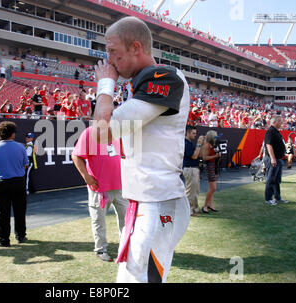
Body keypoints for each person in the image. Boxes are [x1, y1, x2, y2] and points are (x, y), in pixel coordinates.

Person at [92, 16, 190, 283]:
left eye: (113, 51)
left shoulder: (165, 77)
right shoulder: (141, 83)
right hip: (144, 199)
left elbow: (102, 131)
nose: (109, 59)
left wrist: (105, 85)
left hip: (158, 200)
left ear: (136, 47)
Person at [72, 126, 128, 262]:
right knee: (98, 220)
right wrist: (86, 176)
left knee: (126, 220)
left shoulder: (117, 132)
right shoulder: (90, 133)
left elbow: (123, 154)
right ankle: (101, 249)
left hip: (120, 186)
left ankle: (126, 248)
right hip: (99, 187)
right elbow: (76, 155)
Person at [0, 121, 29, 247]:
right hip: (19, 182)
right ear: (13, 134)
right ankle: (21, 236)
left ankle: (3, 240)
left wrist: (3, 175)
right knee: (20, 210)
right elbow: (25, 164)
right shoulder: (21, 147)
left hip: (2, 182)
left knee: (2, 212)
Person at [264, 115, 289, 206]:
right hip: (272, 159)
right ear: (274, 122)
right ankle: (268, 198)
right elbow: (269, 145)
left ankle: (277, 197)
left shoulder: (277, 132)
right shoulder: (270, 132)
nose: (281, 122)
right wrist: (273, 158)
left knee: (277, 180)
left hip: (278, 159)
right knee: (271, 179)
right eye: (280, 121)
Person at [183, 125, 205, 216]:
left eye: (196, 133)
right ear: (187, 133)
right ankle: (188, 210)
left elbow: (199, 155)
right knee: (190, 191)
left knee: (195, 191)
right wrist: (199, 144)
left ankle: (195, 208)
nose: (195, 135)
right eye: (193, 133)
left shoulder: (190, 143)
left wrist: (202, 145)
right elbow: (194, 156)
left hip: (193, 169)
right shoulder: (186, 143)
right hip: (190, 169)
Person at [201, 130, 221, 213]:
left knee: (212, 188)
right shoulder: (206, 145)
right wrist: (215, 156)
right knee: (213, 188)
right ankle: (205, 205)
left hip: (214, 166)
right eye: (215, 136)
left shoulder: (213, 145)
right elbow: (204, 158)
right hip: (209, 166)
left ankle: (210, 204)